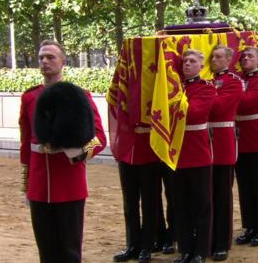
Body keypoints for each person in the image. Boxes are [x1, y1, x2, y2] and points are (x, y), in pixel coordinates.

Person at [19, 40, 107, 263]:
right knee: (46, 251)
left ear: (63, 62)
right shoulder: (30, 97)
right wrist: (25, 185)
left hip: (69, 184)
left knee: (69, 251)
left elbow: (99, 139)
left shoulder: (79, 96)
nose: (45, 62)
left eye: (51, 57)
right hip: (39, 186)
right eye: (41, 58)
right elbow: (25, 144)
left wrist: (77, 155)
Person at [171, 49, 216, 263]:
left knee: (202, 205)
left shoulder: (206, 87)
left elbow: (195, 113)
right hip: (178, 154)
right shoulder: (175, 87)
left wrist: (174, 100)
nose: (187, 65)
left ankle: (200, 251)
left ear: (201, 65)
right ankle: (185, 249)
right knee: (180, 205)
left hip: (198, 154)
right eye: (184, 62)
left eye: (192, 61)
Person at [208, 45, 243, 261]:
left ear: (229, 60)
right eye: (212, 56)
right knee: (206, 196)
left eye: (219, 57)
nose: (214, 60)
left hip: (222, 142)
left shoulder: (233, 81)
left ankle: (222, 241)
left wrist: (205, 95)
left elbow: (219, 107)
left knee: (221, 195)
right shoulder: (208, 81)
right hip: (204, 143)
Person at [235, 47, 258, 247]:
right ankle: (249, 226)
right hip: (240, 140)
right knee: (245, 187)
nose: (246, 59)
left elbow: (246, 103)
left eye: (250, 56)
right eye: (243, 57)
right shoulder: (239, 79)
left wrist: (234, 91)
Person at [112, 125, 161, 263]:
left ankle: (147, 246)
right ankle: (132, 245)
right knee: (129, 204)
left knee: (149, 203)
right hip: (127, 151)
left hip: (148, 149)